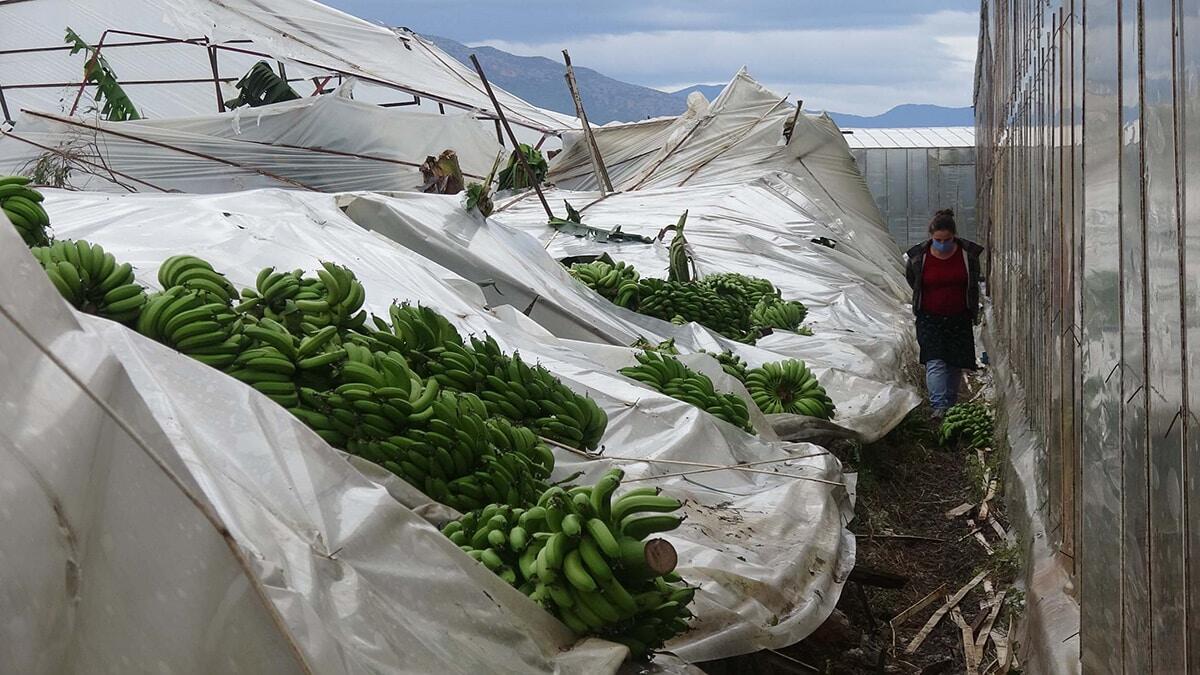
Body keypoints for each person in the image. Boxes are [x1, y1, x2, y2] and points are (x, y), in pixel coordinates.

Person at [904, 209, 984, 418]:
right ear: (931, 236)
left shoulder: (967, 255)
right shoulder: (918, 257)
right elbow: (913, 280)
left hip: (959, 316)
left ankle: (950, 403)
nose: (942, 243)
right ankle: (938, 406)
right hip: (930, 316)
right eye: (938, 239)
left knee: (954, 362)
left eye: (947, 239)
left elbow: (973, 281)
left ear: (954, 236)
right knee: (935, 360)